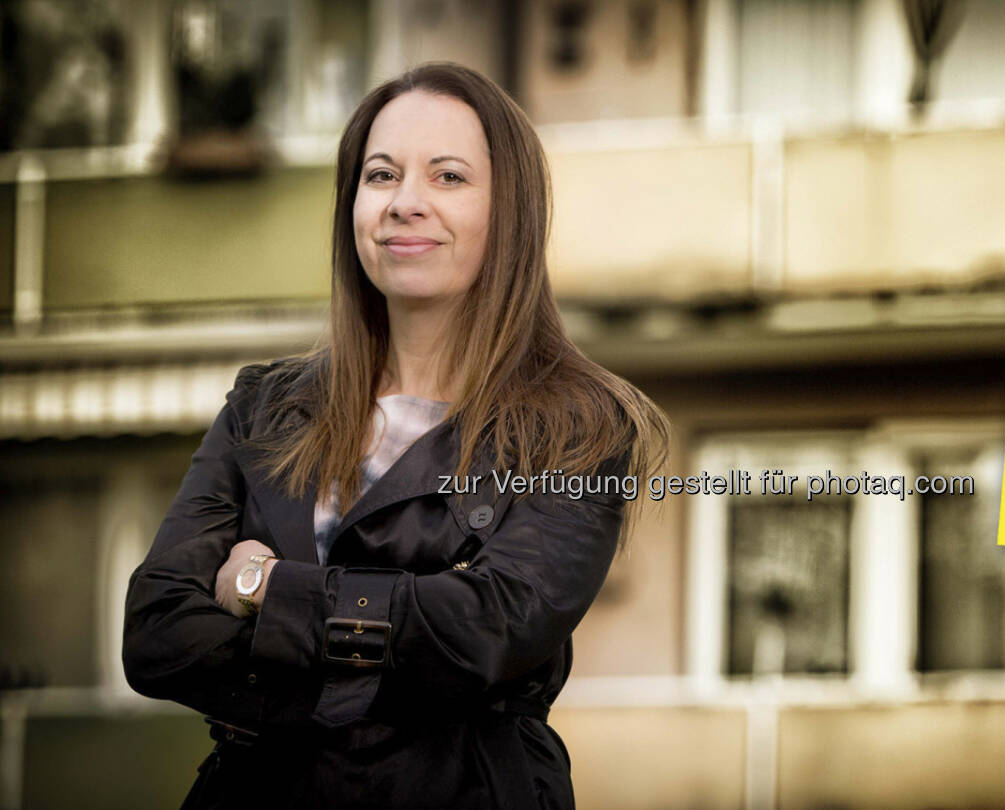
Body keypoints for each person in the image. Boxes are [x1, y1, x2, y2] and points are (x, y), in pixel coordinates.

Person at [121, 61, 669, 809]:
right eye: (381, 176)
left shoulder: (580, 428)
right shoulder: (265, 406)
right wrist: (401, 637)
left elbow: (490, 629)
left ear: (510, 212)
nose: (406, 203)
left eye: (448, 177)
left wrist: (263, 586)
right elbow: (156, 634)